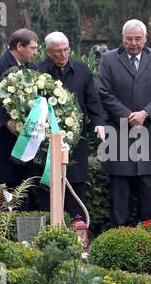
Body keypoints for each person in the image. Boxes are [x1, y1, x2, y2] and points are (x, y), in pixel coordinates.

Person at [98, 19, 151, 227]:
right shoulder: (109, 59)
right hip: (119, 132)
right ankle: (118, 234)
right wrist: (129, 116)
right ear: (123, 38)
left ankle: (149, 234)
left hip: (147, 130)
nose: (134, 43)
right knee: (119, 187)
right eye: (129, 39)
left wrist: (145, 113)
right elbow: (104, 92)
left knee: (147, 185)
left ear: (145, 39)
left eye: (138, 39)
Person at [37, 31, 106, 221]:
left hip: (76, 142)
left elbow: (93, 101)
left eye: (66, 49)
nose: (63, 54)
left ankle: (79, 234)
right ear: (49, 52)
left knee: (76, 188)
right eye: (58, 51)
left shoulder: (82, 70)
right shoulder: (37, 70)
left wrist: (100, 124)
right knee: (47, 189)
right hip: (46, 144)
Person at [0, 28, 39, 190]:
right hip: (5, 140)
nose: (36, 52)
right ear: (20, 46)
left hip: (28, 141)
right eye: (33, 48)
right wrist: (7, 122)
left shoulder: (33, 68)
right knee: (5, 193)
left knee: (25, 191)